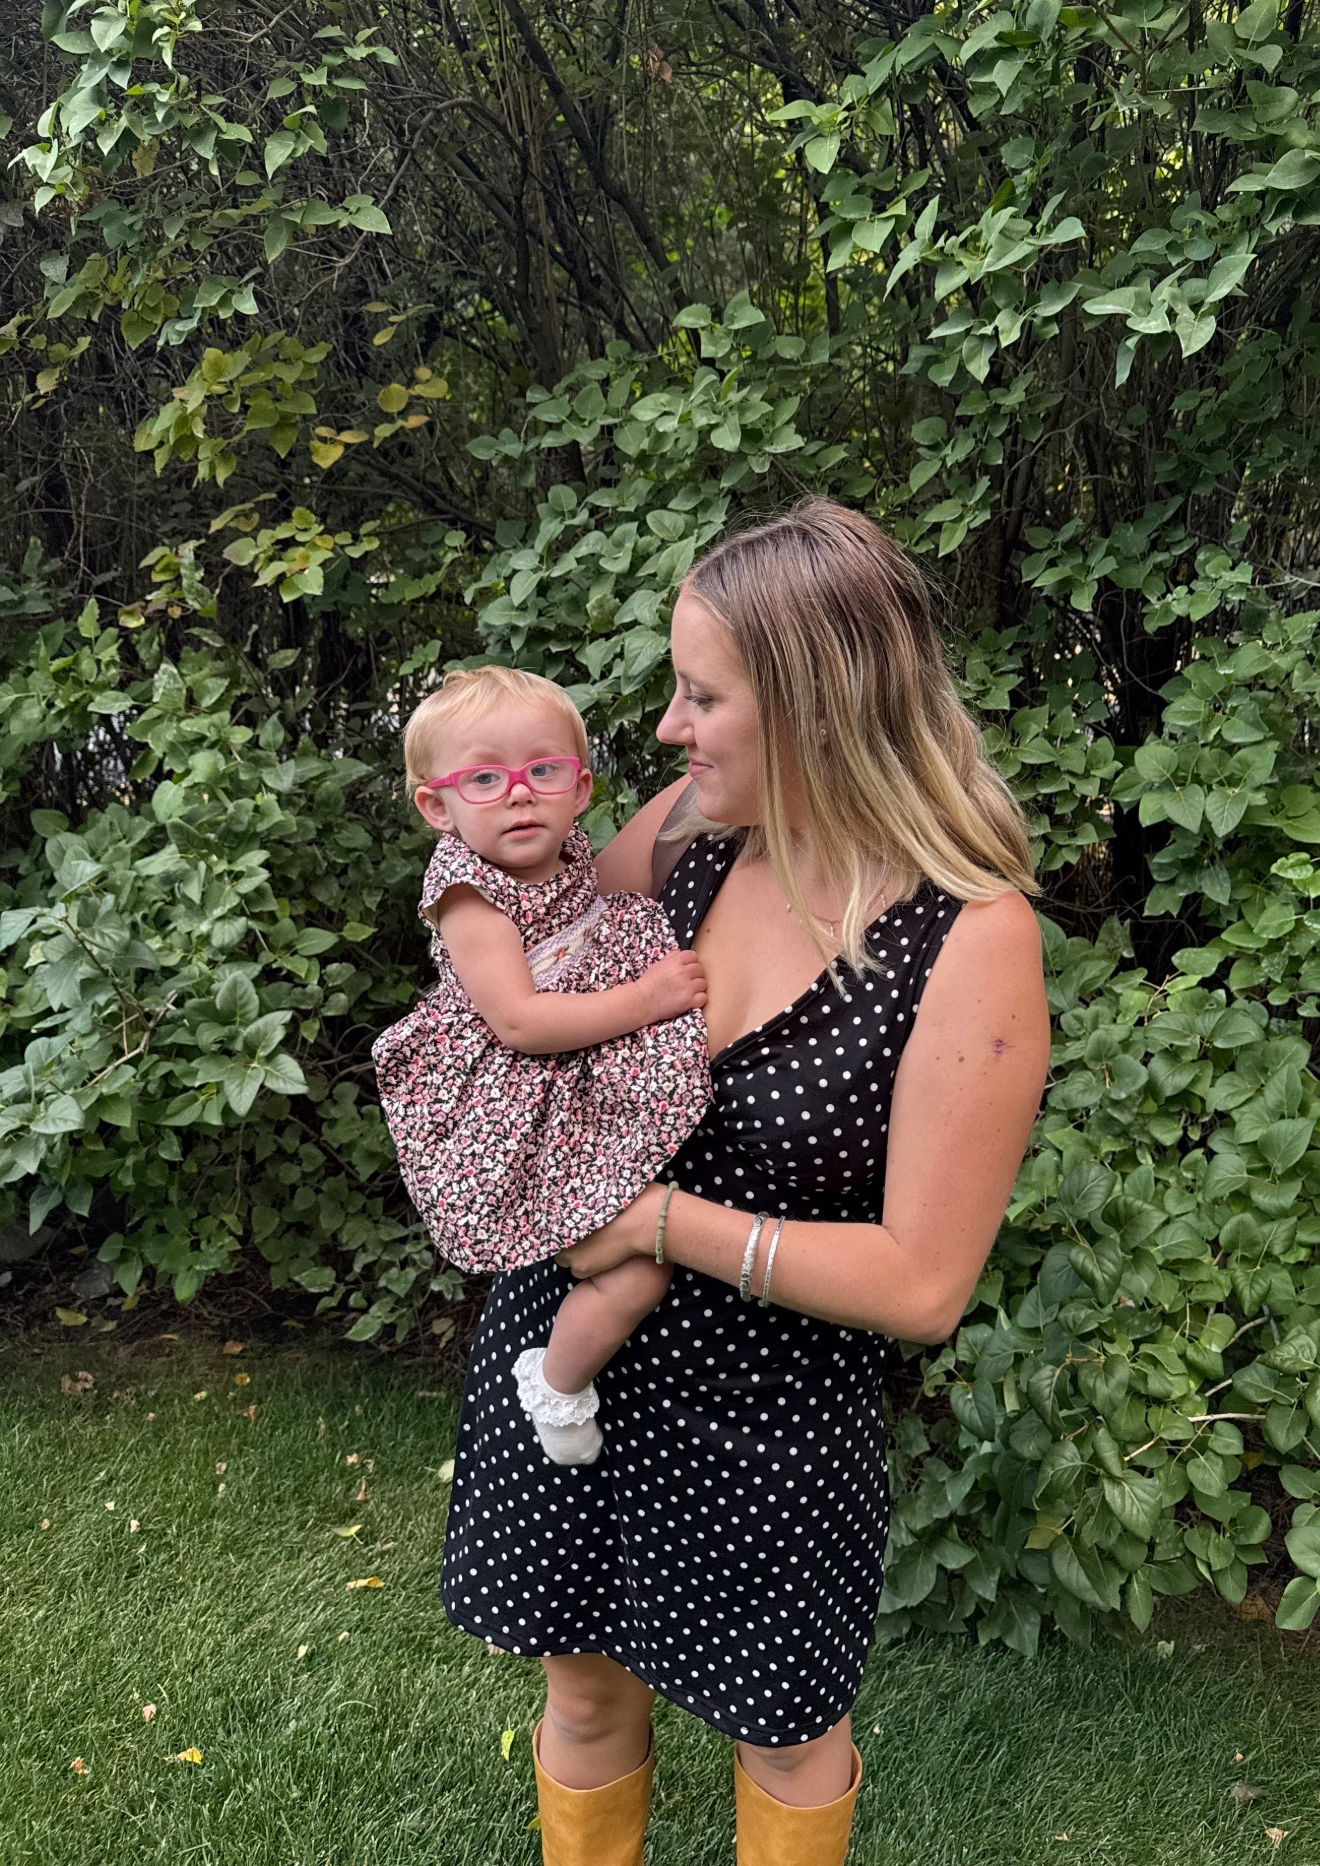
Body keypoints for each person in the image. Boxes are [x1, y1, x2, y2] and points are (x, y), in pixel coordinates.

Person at [438, 500, 1050, 1865]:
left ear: (821, 705)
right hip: (571, 1372)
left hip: (767, 1417)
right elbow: (524, 982)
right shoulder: (683, 835)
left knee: (782, 1730)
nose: (668, 727)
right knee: (584, 1690)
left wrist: (655, 1220)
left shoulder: (969, 936)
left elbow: (923, 1284)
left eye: (703, 696)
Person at [373, 665, 712, 1462]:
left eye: (543, 771)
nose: (519, 795)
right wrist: (648, 997)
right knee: (636, 1273)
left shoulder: (564, 861)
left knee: (641, 1266)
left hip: (561, 1092)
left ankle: (562, 1371)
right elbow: (522, 1022)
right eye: (484, 779)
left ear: (581, 788)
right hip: (506, 1112)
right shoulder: (468, 891)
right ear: (438, 807)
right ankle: (556, 1384)